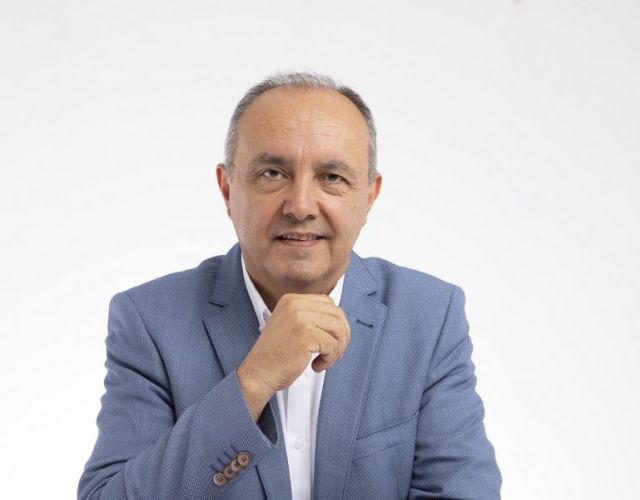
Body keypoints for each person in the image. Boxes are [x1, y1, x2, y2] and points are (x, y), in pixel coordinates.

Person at [78, 72, 501, 499]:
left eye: (332, 177)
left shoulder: (429, 317)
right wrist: (251, 383)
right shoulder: (150, 321)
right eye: (272, 173)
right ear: (227, 190)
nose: (300, 206)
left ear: (369, 197)